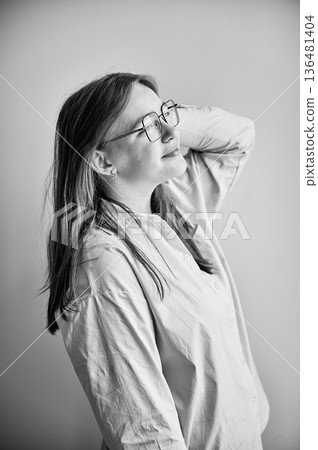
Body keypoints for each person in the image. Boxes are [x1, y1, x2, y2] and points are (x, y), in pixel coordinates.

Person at [42, 72, 270, 449]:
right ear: (102, 160)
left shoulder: (177, 202)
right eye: (146, 127)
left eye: (166, 115)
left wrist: (162, 115)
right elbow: (144, 432)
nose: (169, 132)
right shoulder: (102, 261)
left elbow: (239, 135)